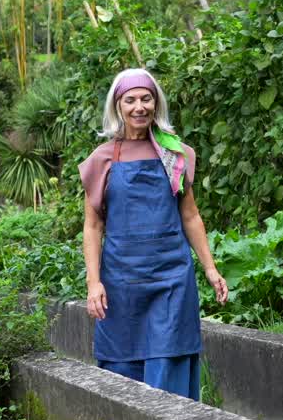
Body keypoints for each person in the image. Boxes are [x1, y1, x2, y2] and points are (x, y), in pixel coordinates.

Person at [78, 68, 228, 401]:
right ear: (118, 107)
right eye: (130, 100)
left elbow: (190, 215)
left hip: (171, 279)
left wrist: (211, 269)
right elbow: (93, 226)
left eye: (146, 99)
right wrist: (94, 282)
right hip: (121, 282)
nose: (139, 107)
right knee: (122, 364)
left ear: (156, 103)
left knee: (168, 360)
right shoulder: (102, 159)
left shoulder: (174, 154)